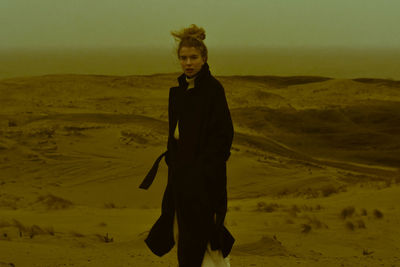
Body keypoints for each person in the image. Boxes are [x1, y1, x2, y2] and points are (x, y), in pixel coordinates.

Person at [139, 24, 234, 267]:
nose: (188, 63)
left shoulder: (213, 91)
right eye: (183, 58)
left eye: (193, 57)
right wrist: (175, 161)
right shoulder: (180, 92)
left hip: (204, 182)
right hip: (180, 179)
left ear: (204, 58)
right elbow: (176, 136)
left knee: (206, 236)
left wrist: (202, 173)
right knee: (180, 232)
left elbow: (222, 140)